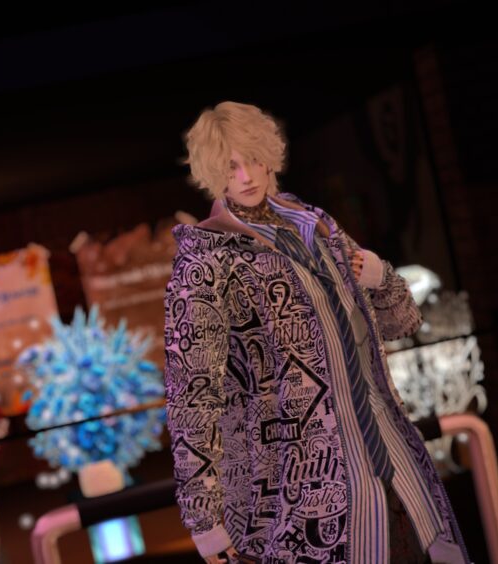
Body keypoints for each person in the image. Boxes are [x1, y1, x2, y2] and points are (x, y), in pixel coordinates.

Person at [163, 101, 469, 563]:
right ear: (212, 172)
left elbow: (401, 322)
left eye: (252, 159)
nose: (245, 177)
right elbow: (192, 393)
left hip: (391, 460)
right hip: (301, 488)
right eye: (229, 167)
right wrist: (204, 519)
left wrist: (381, 276)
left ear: (269, 155)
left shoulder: (317, 226)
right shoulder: (205, 262)